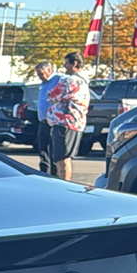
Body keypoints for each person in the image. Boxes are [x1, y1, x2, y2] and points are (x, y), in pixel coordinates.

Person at [46, 52, 92, 181]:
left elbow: (51, 95)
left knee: (62, 159)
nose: (64, 66)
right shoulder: (84, 81)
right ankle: (65, 182)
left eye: (66, 63)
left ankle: (64, 184)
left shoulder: (69, 80)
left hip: (63, 122)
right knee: (67, 158)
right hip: (76, 122)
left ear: (74, 64)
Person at [33, 61, 57, 176]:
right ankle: (44, 173)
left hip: (54, 121)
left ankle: (55, 174)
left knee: (54, 150)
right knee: (43, 149)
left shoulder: (58, 80)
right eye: (38, 74)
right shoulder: (43, 84)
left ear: (49, 70)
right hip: (42, 122)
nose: (40, 77)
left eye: (41, 74)